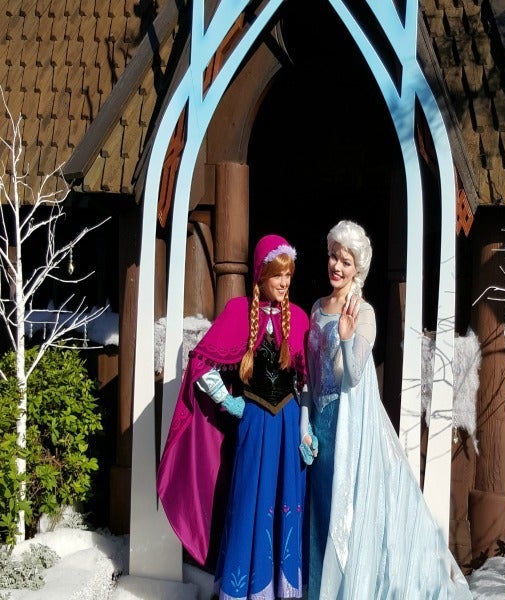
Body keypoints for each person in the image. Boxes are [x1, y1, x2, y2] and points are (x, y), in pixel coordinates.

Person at [304, 220, 472, 599]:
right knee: (321, 514)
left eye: (345, 261)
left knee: (349, 515)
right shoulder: (317, 308)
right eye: (333, 256)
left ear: (357, 269)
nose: (336, 266)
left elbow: (356, 372)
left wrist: (346, 339)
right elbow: (311, 373)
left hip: (350, 427)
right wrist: (306, 420)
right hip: (320, 425)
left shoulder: (364, 312)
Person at [157, 234, 315, 600]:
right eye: (277, 274)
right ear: (261, 274)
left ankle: (282, 590)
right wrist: (228, 402)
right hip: (255, 424)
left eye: (288, 275)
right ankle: (244, 589)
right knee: (249, 501)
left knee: (286, 501)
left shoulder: (301, 318)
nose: (284, 282)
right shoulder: (239, 311)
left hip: (289, 427)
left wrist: (306, 430)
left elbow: (305, 384)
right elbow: (201, 363)